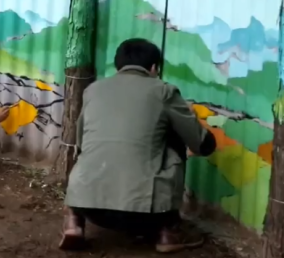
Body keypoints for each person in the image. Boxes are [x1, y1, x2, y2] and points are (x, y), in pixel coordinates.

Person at [59, 38, 216, 254]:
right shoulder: (164, 91)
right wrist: (190, 116)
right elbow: (203, 145)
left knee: (89, 151)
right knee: (173, 138)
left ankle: (73, 221)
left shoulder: (93, 90)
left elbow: (79, 142)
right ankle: (168, 230)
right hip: (144, 214)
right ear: (154, 68)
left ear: (118, 67)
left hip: (88, 205)